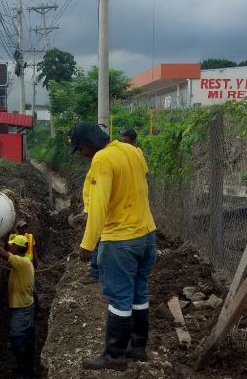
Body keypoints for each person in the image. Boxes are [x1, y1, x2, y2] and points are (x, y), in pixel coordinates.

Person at [69, 122, 157, 371]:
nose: (82, 155)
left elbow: (98, 206)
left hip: (120, 240)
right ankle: (137, 347)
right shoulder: (132, 151)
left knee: (119, 298)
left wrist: (87, 244)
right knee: (139, 293)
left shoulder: (102, 160)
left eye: (80, 150)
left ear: (87, 145)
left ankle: (115, 355)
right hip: (147, 235)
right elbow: (139, 182)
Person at [0, 228, 35, 378]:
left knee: (17, 339)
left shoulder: (20, 262)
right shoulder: (25, 262)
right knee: (26, 338)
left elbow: (2, 253)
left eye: (12, 246)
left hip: (21, 310)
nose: (10, 247)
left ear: (17, 249)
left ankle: (24, 372)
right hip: (26, 307)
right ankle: (26, 366)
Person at [8, 220, 42, 319]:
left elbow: (33, 250)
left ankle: (36, 310)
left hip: (28, 266)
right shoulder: (13, 238)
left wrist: (36, 262)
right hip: (16, 266)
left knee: (33, 291)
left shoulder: (30, 237)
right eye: (22, 227)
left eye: (25, 227)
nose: (24, 229)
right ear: (17, 228)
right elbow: (7, 250)